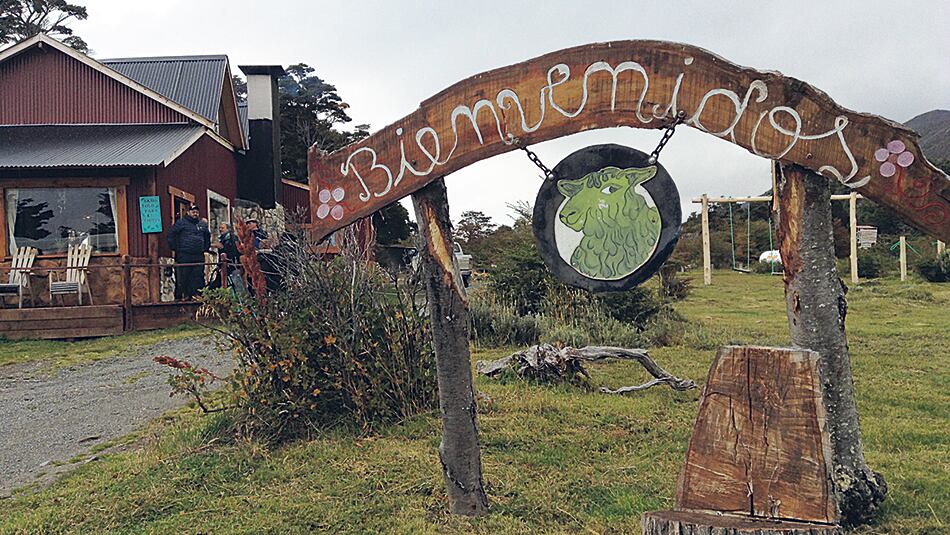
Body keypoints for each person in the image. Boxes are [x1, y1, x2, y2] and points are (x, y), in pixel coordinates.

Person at [167, 204, 211, 300]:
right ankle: (182, 297)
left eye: (196, 212)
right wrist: (176, 248)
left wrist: (205, 248)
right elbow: (171, 235)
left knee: (198, 276)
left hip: (198, 254)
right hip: (184, 254)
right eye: (193, 212)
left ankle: (196, 296)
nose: (195, 214)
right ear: (188, 212)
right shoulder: (181, 223)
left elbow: (207, 236)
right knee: (183, 276)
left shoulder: (202, 224)